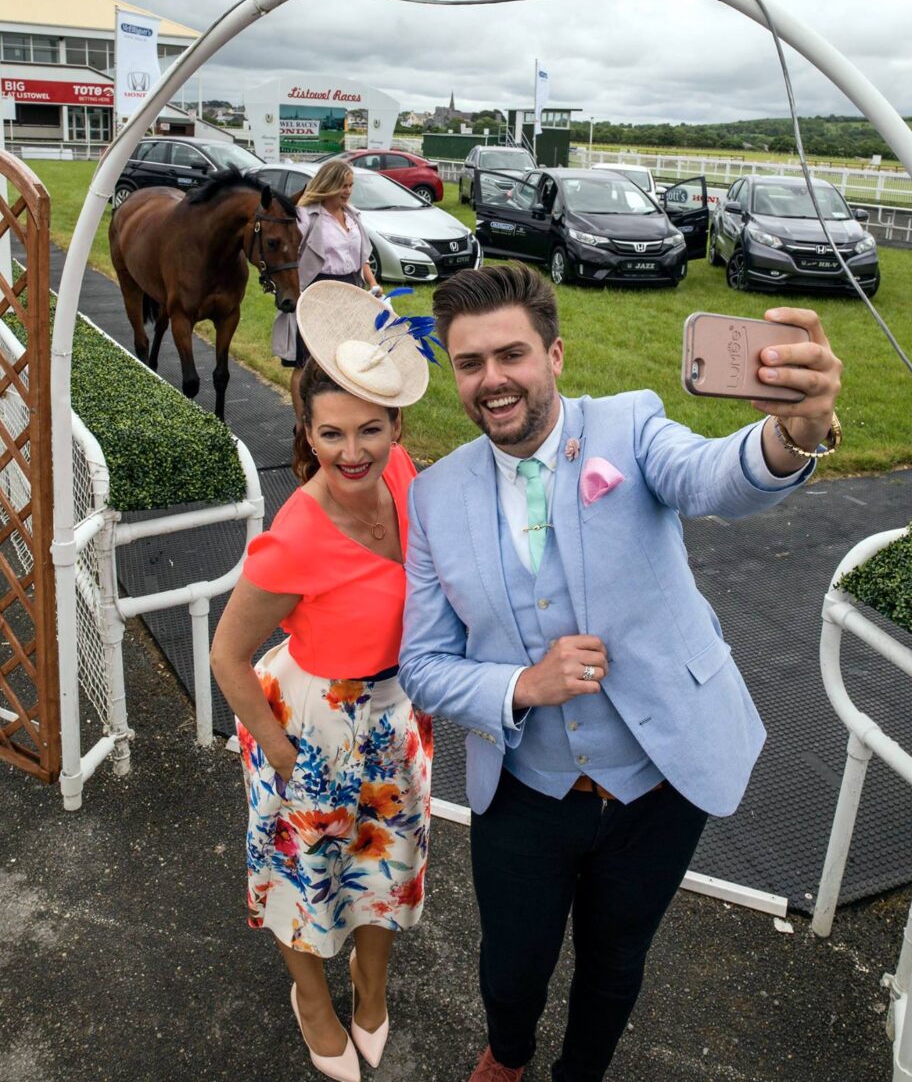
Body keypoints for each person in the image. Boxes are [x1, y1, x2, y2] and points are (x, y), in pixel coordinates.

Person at [398, 263, 843, 1082]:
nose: (492, 379)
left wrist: (792, 436)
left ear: (556, 354)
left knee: (617, 958)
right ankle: (509, 1051)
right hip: (526, 790)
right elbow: (423, 664)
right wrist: (521, 686)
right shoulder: (432, 497)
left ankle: (583, 1071)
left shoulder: (630, 426)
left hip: (657, 784)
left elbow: (715, 475)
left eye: (512, 354)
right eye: (469, 363)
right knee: (512, 961)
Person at [212, 281, 435, 1082]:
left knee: (382, 866)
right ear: (306, 430)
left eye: (370, 428)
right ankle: (313, 997)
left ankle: (370, 992)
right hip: (308, 724)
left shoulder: (406, 474)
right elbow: (226, 655)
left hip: (390, 715)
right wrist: (277, 751)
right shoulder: (296, 534)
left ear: (396, 425)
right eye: (332, 432)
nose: (353, 451)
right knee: (307, 877)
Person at [270, 159, 383, 425]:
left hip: (350, 292)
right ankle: (302, 424)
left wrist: (373, 284)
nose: (347, 191)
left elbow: (362, 258)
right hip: (316, 293)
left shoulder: (353, 216)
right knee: (305, 362)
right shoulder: (305, 215)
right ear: (328, 184)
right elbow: (288, 252)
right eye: (342, 185)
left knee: (343, 360)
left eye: (350, 186)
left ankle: (335, 417)